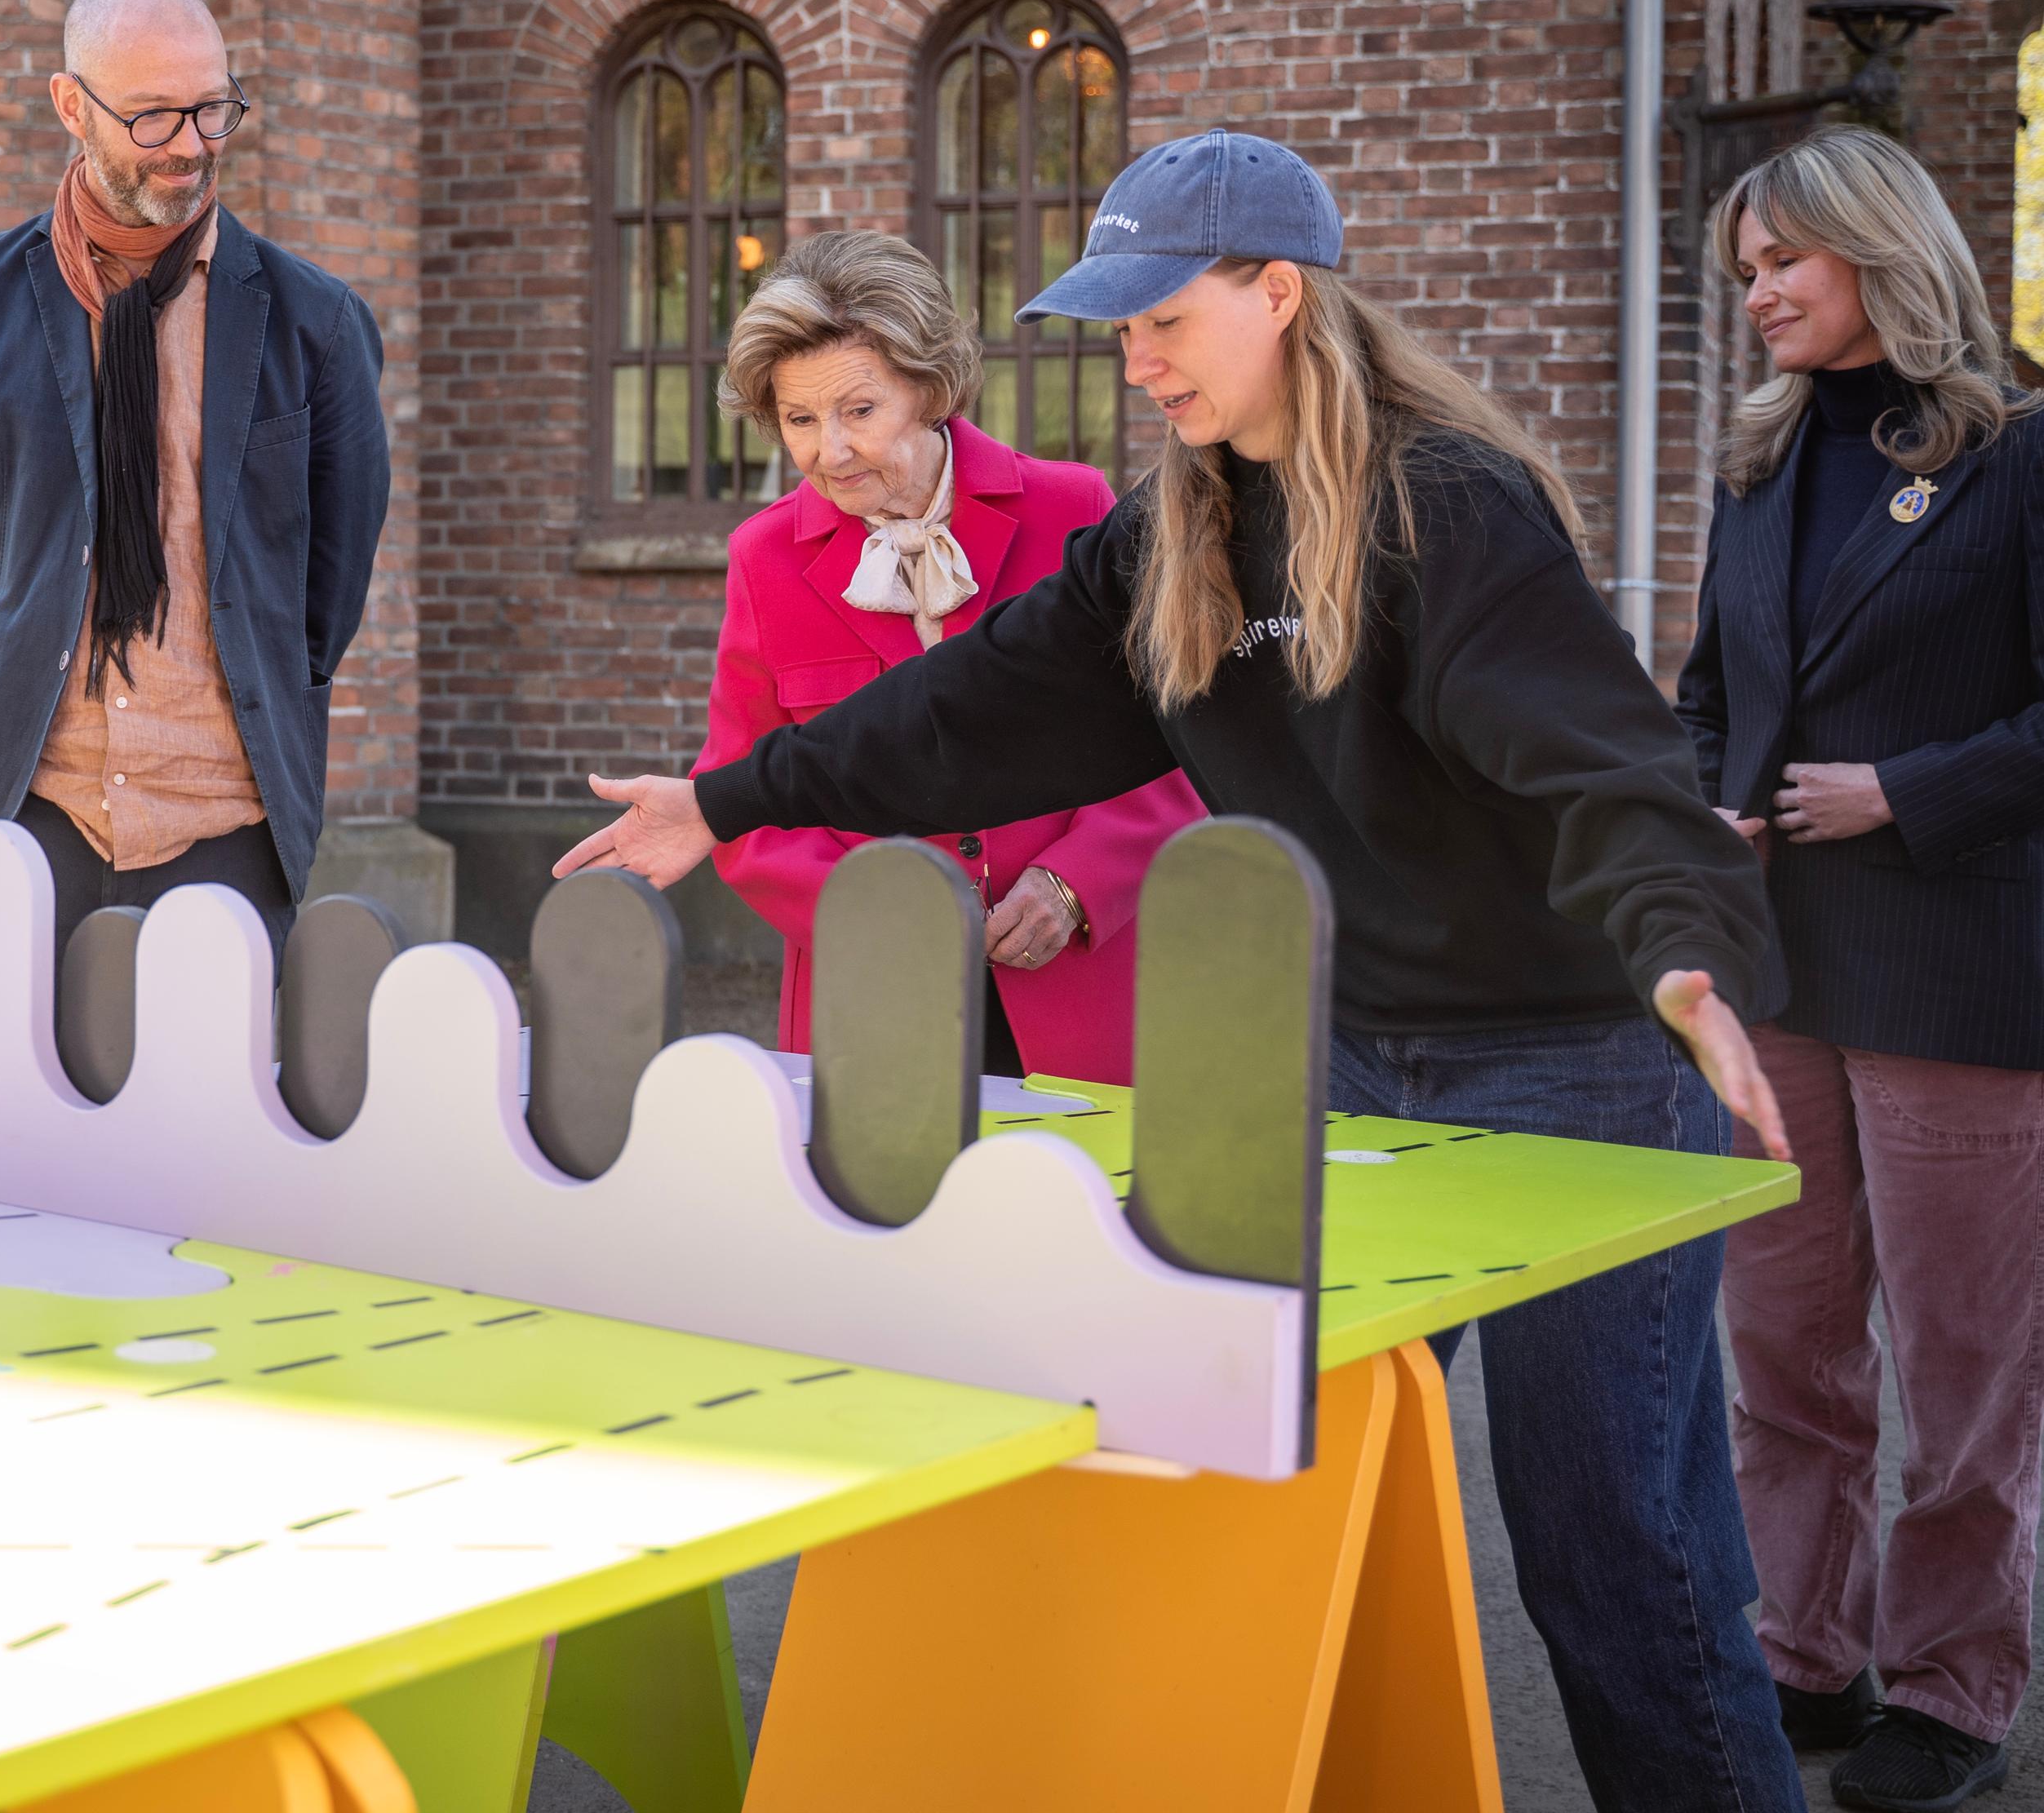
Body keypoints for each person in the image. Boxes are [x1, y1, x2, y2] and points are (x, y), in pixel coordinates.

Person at [555, 128, 1802, 1813]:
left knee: (1619, 1555)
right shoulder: (1176, 533)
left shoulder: (1453, 505)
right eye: (1117, 326)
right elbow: (972, 708)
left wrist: (1689, 953)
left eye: (1164, 319)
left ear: (1280, 291)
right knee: (1303, 1487)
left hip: (1580, 1052)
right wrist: (722, 798)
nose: (1134, 358)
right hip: (1359, 1053)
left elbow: (1600, 757)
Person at [1679, 126, 2044, 1813]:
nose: (1756, 293)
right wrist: (1706, 801)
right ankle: (1804, 1647)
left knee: (1967, 1363)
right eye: (1744, 269)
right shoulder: (1754, 468)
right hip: (1780, 975)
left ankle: (1957, 1678)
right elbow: (1704, 695)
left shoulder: (2022, 453)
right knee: (1785, 1341)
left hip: (1961, 968)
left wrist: (1909, 790)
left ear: (1873, 249)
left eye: (1782, 264)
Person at [0, 0, 390, 960]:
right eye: (155, 117)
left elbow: (329, 592)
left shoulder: (318, 324)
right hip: (24, 812)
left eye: (214, 111)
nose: (191, 149)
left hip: (226, 827)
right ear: (71, 105)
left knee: (217, 1118)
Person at [698, 230, 1199, 1081]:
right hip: (875, 995)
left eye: (859, 411)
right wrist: (887, 914)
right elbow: (746, 806)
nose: (829, 452)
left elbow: (1175, 741)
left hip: (1079, 987)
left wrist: (1075, 883)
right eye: (799, 420)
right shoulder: (762, 557)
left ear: (930, 389)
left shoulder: (1075, 507)